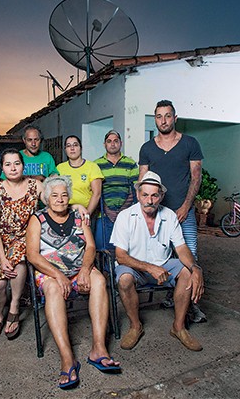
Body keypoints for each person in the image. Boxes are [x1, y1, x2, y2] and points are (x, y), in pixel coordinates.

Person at [26, 175, 121, 390]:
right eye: (55, 196)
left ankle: (99, 349)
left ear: (69, 197)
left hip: (80, 269)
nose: (60, 199)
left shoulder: (79, 216)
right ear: (47, 198)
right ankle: (68, 359)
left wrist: (86, 269)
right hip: (49, 272)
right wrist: (58, 275)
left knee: (98, 280)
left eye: (64, 195)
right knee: (52, 288)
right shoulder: (37, 219)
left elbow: (89, 246)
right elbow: (32, 255)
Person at [110, 171, 204, 351]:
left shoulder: (169, 215)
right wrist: (149, 268)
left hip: (164, 265)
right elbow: (120, 256)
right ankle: (135, 326)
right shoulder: (125, 216)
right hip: (135, 267)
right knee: (124, 279)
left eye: (154, 195)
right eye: (145, 195)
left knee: (186, 272)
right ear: (138, 195)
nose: (149, 200)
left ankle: (178, 327)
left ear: (161, 196)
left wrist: (195, 267)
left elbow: (182, 248)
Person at [138, 99, 207, 323]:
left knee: (190, 259)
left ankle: (192, 307)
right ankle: (172, 295)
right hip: (156, 215)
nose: (164, 120)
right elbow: (143, 181)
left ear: (175, 118)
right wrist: (144, 211)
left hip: (182, 214)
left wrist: (186, 206)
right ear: (155, 119)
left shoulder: (190, 143)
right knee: (162, 258)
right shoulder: (147, 148)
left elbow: (196, 178)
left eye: (168, 116)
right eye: (159, 116)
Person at [0, 148, 45, 341]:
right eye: (8, 164)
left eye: (17, 163)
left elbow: (54, 202)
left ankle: (14, 308)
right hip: (0, 241)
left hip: (25, 238)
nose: (13, 168)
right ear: (2, 167)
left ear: (23, 165)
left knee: (18, 260)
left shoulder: (36, 185)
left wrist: (74, 205)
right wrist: (2, 258)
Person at [94, 130, 139, 250]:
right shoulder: (96, 165)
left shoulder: (130, 164)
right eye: (109, 141)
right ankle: (108, 269)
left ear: (121, 143)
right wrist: (108, 211)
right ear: (104, 144)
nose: (112, 144)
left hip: (126, 212)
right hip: (103, 213)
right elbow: (96, 191)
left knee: (126, 247)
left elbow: (135, 189)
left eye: (115, 141)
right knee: (106, 248)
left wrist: (122, 211)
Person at [57, 135, 104, 216]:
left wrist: (87, 214)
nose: (72, 148)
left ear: (81, 148)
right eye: (68, 146)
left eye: (75, 145)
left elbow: (97, 194)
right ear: (65, 150)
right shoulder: (60, 168)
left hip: (87, 211)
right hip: (65, 212)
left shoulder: (92, 167)